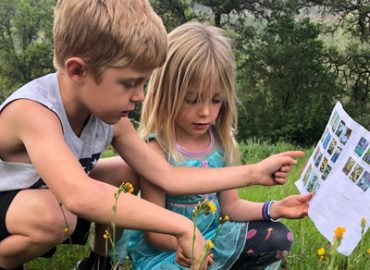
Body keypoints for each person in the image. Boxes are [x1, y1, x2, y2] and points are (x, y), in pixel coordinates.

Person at [0, 1, 305, 270]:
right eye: (129, 83)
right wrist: (180, 227)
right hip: (20, 203)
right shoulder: (34, 112)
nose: (141, 96)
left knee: (130, 170)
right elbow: (78, 194)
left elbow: (167, 176)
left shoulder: (110, 117)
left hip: (36, 198)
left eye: (143, 83)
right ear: (78, 71)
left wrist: (253, 172)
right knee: (57, 217)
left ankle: (99, 259)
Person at [123, 22, 312, 270]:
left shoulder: (221, 143)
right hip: (171, 251)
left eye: (216, 100)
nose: (205, 112)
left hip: (214, 240)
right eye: (191, 99)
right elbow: (153, 233)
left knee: (278, 237)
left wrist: (274, 208)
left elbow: (231, 207)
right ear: (166, 94)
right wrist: (189, 246)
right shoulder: (156, 149)